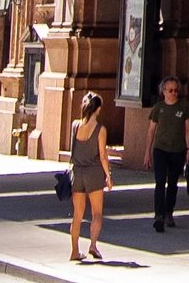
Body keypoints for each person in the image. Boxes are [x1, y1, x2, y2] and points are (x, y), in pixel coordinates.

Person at [68, 91, 112, 262]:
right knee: (97, 213)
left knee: (77, 214)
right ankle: (93, 245)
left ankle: (74, 251)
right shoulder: (100, 129)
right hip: (94, 173)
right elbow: (102, 154)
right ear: (98, 109)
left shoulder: (75, 125)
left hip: (77, 172)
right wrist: (108, 175)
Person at [146, 76, 189, 231]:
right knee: (160, 182)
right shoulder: (158, 108)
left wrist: (188, 150)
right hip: (160, 149)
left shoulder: (183, 107)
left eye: (175, 90)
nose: (174, 93)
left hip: (177, 150)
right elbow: (151, 130)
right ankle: (158, 215)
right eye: (170, 90)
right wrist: (147, 152)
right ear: (163, 91)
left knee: (172, 183)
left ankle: (168, 212)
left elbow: (188, 129)